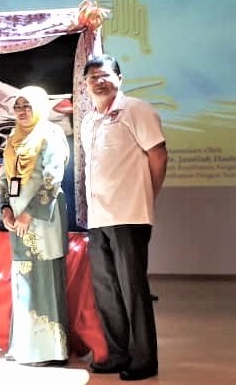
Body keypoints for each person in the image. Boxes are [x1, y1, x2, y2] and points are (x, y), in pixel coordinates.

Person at [80, 55, 168, 381]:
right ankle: (117, 354)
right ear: (85, 84)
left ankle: (145, 360)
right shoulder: (89, 120)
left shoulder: (136, 109)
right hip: (98, 217)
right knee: (106, 290)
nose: (99, 81)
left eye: (105, 75)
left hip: (129, 214)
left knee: (133, 289)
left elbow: (158, 155)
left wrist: (148, 195)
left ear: (120, 78)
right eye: (92, 77)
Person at [0, 85, 70, 367]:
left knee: (43, 278)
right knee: (23, 279)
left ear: (39, 106)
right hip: (17, 220)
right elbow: (5, 178)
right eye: (17, 106)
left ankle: (49, 350)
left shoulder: (51, 134)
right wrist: (5, 208)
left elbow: (53, 178)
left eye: (27, 105)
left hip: (42, 219)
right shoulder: (13, 137)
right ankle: (25, 347)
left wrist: (30, 213)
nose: (22, 111)